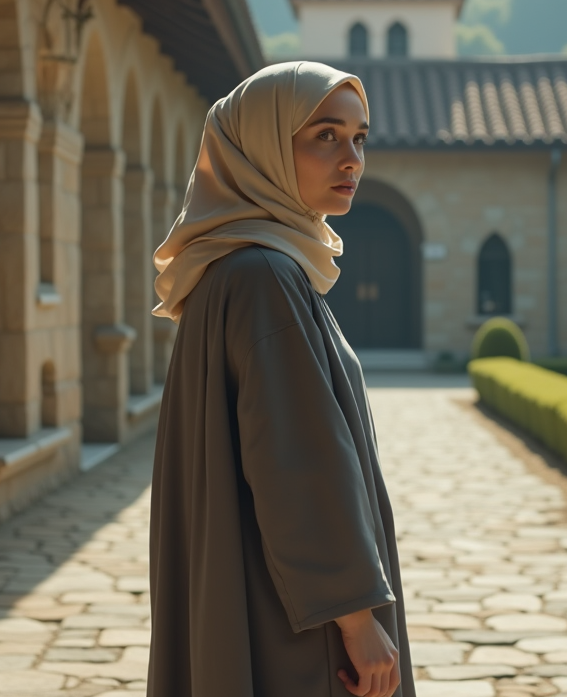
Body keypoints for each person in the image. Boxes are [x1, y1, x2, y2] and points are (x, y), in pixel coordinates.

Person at [146, 61, 412, 697]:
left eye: (359, 137)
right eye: (324, 135)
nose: (351, 159)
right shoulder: (265, 277)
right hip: (295, 620)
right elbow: (296, 461)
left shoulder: (235, 267)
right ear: (262, 146)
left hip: (257, 592)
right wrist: (356, 615)